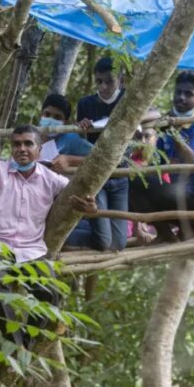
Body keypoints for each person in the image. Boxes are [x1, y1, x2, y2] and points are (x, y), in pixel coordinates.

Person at [0, 123, 96, 346]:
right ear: (11, 148)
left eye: (28, 143)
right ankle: (17, 345)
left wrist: (91, 208)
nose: (22, 149)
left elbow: (81, 196)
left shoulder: (51, 179)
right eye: (17, 144)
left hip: (31, 250)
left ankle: (27, 342)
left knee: (52, 294)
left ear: (39, 150)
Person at [128, 71, 194, 241]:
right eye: (178, 92)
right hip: (173, 193)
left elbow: (191, 160)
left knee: (135, 181)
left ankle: (188, 225)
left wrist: (174, 135)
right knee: (132, 180)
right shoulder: (166, 123)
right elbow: (155, 162)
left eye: (188, 94)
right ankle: (167, 233)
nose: (181, 97)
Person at [38, 93, 112, 251]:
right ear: (41, 114)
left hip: (63, 206)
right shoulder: (32, 138)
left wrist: (70, 160)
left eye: (57, 117)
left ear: (64, 122)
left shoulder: (70, 139)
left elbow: (101, 158)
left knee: (103, 241)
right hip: (38, 207)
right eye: (47, 114)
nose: (51, 119)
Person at [74, 57, 130, 251]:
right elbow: (80, 138)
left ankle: (87, 226)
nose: (104, 86)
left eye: (109, 81)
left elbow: (154, 114)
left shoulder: (129, 99)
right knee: (104, 242)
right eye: (99, 82)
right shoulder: (86, 104)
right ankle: (71, 233)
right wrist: (82, 128)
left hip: (120, 174)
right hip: (96, 173)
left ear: (121, 80)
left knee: (120, 244)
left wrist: (130, 120)